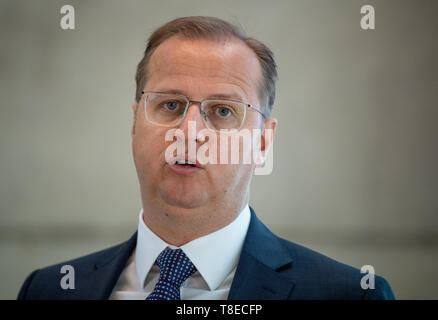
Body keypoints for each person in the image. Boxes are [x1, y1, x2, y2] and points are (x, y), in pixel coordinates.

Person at [17, 16, 395, 300]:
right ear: (135, 123)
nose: (190, 131)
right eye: (170, 104)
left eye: (223, 111)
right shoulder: (48, 289)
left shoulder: (351, 294)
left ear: (263, 142)